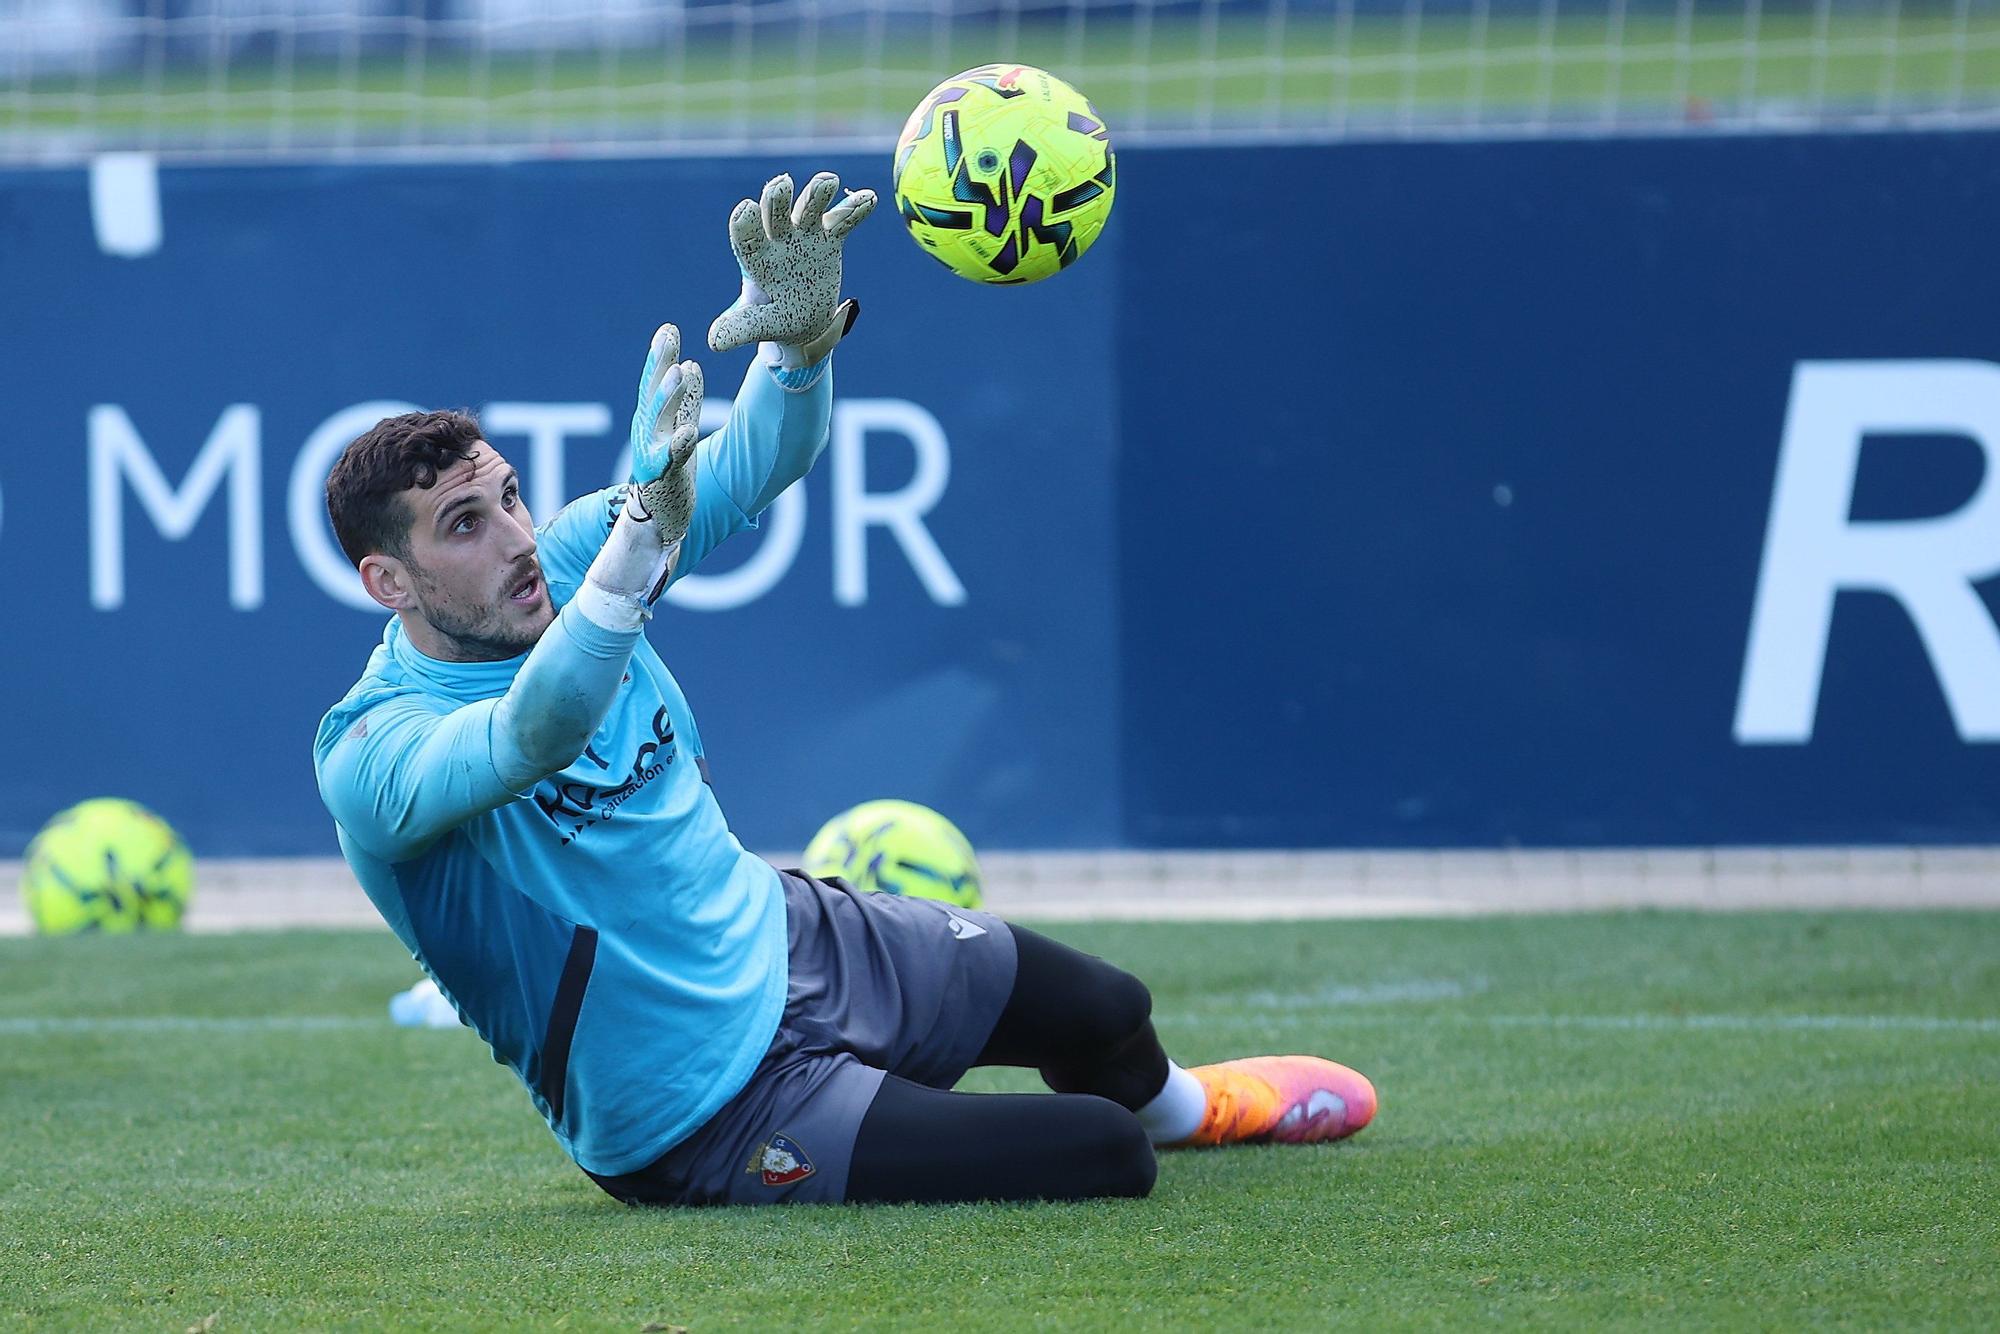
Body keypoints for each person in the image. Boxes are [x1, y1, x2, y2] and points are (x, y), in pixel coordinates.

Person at [312, 169, 1375, 1207]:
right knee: (1096, 1150)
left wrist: (794, 350)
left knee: (1103, 1009)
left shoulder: (577, 553)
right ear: (385, 580)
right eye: (465, 523)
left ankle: (1191, 1107)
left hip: (789, 935)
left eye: (507, 497)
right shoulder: (373, 751)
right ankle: (875, 1110)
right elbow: (531, 732)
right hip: (697, 1106)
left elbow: (753, 465)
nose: (515, 538)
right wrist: (637, 547)